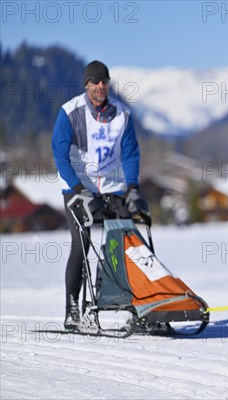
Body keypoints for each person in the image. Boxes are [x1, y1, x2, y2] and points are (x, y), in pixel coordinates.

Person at [52, 60, 143, 331]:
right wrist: (78, 188)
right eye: (95, 81)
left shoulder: (122, 115)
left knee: (128, 242)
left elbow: (130, 154)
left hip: (112, 186)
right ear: (86, 85)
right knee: (81, 243)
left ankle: (133, 305)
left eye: (104, 81)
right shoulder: (70, 112)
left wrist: (132, 187)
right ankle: (72, 309)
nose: (100, 86)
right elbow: (60, 153)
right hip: (77, 187)